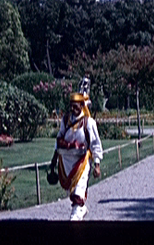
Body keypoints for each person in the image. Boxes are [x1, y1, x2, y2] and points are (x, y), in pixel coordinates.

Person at [52, 92, 103, 221]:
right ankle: (81, 209)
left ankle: (75, 215)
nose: (73, 109)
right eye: (71, 106)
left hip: (82, 160)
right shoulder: (65, 120)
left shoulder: (89, 123)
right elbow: (59, 138)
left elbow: (95, 144)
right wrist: (54, 160)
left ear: (82, 105)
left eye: (76, 106)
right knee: (72, 190)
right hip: (67, 160)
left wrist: (97, 164)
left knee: (79, 189)